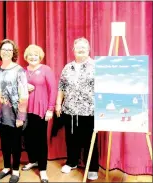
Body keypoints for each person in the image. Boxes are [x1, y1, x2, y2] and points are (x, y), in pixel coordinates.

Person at [56, 37, 99, 180]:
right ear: (73, 50)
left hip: (90, 110)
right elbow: (61, 87)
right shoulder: (68, 67)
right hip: (70, 110)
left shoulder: (96, 66)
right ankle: (72, 162)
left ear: (89, 49)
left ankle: (92, 167)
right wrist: (58, 104)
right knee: (71, 138)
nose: (81, 49)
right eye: (78, 47)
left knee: (90, 140)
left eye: (84, 47)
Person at [0, 39, 29, 183]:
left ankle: (15, 170)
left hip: (15, 114)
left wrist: (21, 116)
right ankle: (6, 167)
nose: (6, 52)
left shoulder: (19, 70)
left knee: (15, 143)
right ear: (0, 52)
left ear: (13, 53)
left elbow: (24, 94)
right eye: (4, 49)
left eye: (9, 50)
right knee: (4, 142)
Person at [22, 44, 57, 183]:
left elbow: (53, 90)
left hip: (41, 110)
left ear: (40, 56)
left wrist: (50, 109)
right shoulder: (23, 71)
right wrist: (24, 87)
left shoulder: (46, 70)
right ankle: (33, 160)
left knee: (40, 139)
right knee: (28, 137)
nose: (33, 57)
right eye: (30, 55)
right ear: (26, 57)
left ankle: (42, 170)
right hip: (25, 110)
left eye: (35, 55)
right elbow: (17, 88)